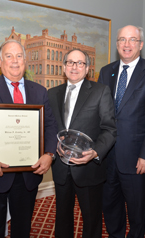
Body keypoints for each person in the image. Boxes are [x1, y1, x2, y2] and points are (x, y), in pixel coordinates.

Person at [0, 40, 57, 238]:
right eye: (9, 56)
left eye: (19, 56)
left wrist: (50, 154)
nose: (14, 61)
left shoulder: (40, 91)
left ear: (25, 61)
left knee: (22, 229)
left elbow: (50, 126)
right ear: (0, 62)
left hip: (28, 175)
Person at [98, 25, 145, 238]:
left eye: (132, 40)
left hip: (137, 159)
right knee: (110, 206)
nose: (126, 44)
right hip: (107, 157)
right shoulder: (105, 71)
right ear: (117, 44)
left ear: (141, 44)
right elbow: (99, 114)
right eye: (122, 40)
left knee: (136, 212)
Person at [48, 49, 116, 238]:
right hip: (61, 167)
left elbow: (110, 129)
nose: (74, 67)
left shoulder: (100, 91)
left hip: (89, 169)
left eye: (80, 63)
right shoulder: (52, 93)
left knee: (91, 219)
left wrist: (95, 152)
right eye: (70, 62)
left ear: (87, 69)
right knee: (62, 217)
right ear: (63, 67)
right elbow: (48, 127)